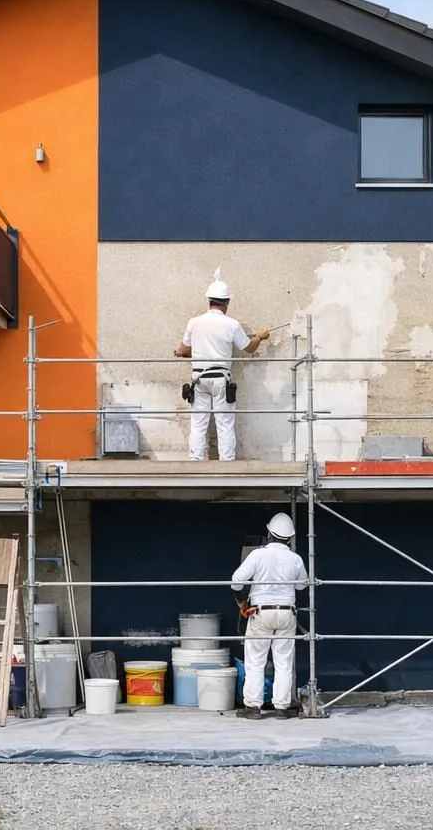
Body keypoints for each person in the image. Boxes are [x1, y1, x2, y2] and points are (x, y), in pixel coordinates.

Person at [173, 271, 270, 461]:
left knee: (198, 424)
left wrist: (189, 352)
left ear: (209, 300)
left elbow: (183, 350)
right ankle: (226, 462)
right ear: (227, 302)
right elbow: (249, 347)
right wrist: (259, 336)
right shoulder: (231, 324)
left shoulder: (194, 322)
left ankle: (195, 461)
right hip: (221, 380)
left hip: (199, 379)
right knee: (224, 423)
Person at [230, 512, 309, 718]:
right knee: (284, 661)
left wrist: (242, 602)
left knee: (255, 660)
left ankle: (253, 707)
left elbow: (236, 581)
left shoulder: (257, 555)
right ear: (290, 538)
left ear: (269, 532)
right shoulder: (296, 559)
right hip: (286, 613)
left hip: (261, 612)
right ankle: (282, 708)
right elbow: (301, 586)